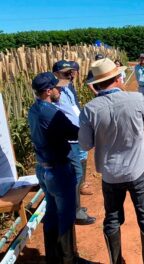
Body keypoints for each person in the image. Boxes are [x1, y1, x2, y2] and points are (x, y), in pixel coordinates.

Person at [78, 58, 144, 264]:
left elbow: (85, 145)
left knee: (112, 219)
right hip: (139, 169)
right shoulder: (136, 98)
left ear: (96, 84)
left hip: (111, 174)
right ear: (116, 78)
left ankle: (117, 261)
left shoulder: (90, 109)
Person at [28, 72, 91, 264]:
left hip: (43, 168)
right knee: (66, 215)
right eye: (57, 87)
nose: (60, 89)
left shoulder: (34, 109)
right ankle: (69, 258)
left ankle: (53, 258)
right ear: (48, 91)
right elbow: (75, 132)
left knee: (53, 212)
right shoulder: (52, 113)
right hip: (58, 169)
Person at [52, 60, 96, 226]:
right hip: (69, 139)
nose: (70, 75)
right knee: (74, 175)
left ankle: (77, 206)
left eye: (70, 72)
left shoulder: (68, 87)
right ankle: (75, 211)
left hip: (78, 135)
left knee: (80, 169)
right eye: (65, 73)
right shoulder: (55, 91)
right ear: (55, 74)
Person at [68, 60, 94, 196]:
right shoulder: (64, 87)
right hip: (72, 129)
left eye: (73, 71)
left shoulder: (70, 85)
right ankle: (79, 186)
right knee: (78, 156)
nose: (72, 74)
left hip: (77, 125)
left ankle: (82, 183)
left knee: (83, 154)